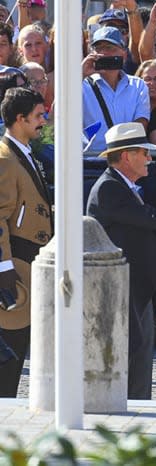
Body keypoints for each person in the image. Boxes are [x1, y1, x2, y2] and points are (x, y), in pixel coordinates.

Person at [86, 122, 156, 399]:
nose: (150, 159)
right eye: (145, 153)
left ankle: (139, 416)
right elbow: (155, 218)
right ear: (127, 156)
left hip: (135, 291)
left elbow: (145, 224)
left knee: (139, 362)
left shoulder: (123, 187)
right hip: (122, 292)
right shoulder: (109, 188)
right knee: (132, 364)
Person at [0, 88, 51, 397]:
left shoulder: (23, 152)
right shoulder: (5, 159)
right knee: (9, 353)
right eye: (38, 116)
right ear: (19, 119)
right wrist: (3, 267)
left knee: (17, 354)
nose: (43, 121)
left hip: (27, 262)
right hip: (15, 266)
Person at [81, 26, 150, 152]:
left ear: (123, 53)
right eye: (98, 48)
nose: (104, 53)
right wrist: (80, 74)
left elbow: (140, 126)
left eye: (110, 48)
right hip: (92, 162)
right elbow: (58, 114)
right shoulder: (81, 85)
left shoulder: (138, 86)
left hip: (126, 161)